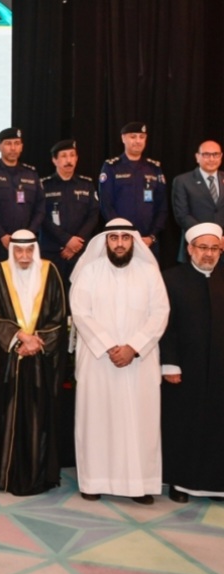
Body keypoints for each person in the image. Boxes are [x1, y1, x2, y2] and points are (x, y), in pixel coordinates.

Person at [70, 218, 169, 504]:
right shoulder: (90, 272)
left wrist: (133, 347)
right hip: (98, 361)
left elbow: (160, 313)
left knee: (139, 424)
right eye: (114, 238)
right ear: (106, 241)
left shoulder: (149, 273)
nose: (120, 243)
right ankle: (94, 481)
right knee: (97, 421)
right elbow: (81, 312)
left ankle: (139, 485)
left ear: (133, 241)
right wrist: (109, 346)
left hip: (139, 362)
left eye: (125, 238)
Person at [0, 230, 66, 495]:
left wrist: (36, 341)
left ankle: (37, 477)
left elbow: (59, 314)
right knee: (7, 414)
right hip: (11, 356)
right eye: (18, 250)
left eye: (29, 250)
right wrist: (20, 337)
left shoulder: (50, 271)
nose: (24, 256)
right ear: (12, 251)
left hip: (41, 358)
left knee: (38, 418)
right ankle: (4, 476)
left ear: (35, 250)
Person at [159, 222, 224, 502]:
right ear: (190, 249)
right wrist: (169, 363)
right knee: (183, 424)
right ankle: (180, 483)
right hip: (184, 369)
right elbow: (164, 326)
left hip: (219, 370)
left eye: (214, 248)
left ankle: (216, 485)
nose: (208, 254)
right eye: (203, 247)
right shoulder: (171, 279)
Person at [0, 127, 46, 262]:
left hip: (25, 242)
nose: (13, 148)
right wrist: (1, 234)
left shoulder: (31, 173)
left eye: (17, 143)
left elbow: (40, 208)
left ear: (22, 147)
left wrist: (28, 233)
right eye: (8, 143)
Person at [98, 122, 167, 255]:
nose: (138, 141)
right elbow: (106, 204)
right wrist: (123, 233)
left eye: (142, 137)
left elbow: (162, 206)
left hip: (148, 241)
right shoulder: (112, 167)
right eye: (133, 137)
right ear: (123, 138)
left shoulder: (154, 168)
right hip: (120, 240)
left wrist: (152, 236)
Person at [39, 140, 100, 289]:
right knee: (52, 293)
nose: (69, 160)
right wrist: (66, 240)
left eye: (72, 155)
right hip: (52, 251)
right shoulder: (44, 185)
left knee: (80, 292)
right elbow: (42, 216)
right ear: (54, 160)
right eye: (64, 156)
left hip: (80, 251)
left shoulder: (86, 184)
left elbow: (93, 215)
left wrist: (75, 244)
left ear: (77, 158)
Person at [171, 140, 224, 258]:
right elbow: (182, 215)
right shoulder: (183, 181)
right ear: (197, 157)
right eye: (206, 155)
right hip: (196, 245)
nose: (211, 159)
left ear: (221, 156)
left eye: (215, 154)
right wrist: (209, 237)